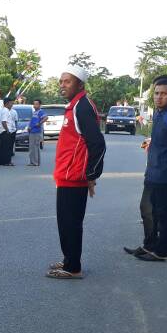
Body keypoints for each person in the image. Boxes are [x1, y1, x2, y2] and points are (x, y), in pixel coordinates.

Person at [124, 78, 167, 261]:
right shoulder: (159, 114)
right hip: (153, 171)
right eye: (156, 93)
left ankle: (161, 252)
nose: (158, 97)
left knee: (164, 213)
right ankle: (149, 245)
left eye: (163, 94)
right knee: (147, 208)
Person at [48, 65, 105, 279]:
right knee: (65, 223)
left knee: (70, 223)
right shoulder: (74, 106)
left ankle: (73, 268)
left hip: (74, 177)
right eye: (61, 81)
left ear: (80, 84)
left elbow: (97, 144)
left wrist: (91, 175)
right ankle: (69, 260)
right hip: (65, 176)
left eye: (67, 81)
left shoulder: (82, 107)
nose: (62, 85)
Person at [0, 96, 17, 166]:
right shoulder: (5, 111)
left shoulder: (3, 110)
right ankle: (7, 162)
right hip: (5, 131)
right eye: (11, 103)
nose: (12, 105)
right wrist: (7, 130)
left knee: (3, 147)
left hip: (2, 131)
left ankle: (1, 161)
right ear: (7, 103)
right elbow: (4, 122)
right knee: (7, 148)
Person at [26, 98, 47, 166]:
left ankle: (34, 162)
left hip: (36, 132)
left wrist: (39, 123)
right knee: (32, 147)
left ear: (40, 105)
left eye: (36, 104)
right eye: (34, 104)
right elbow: (32, 121)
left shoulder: (40, 111)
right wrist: (29, 127)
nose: (35, 105)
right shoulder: (34, 112)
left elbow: (46, 118)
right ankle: (34, 162)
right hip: (32, 131)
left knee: (34, 147)